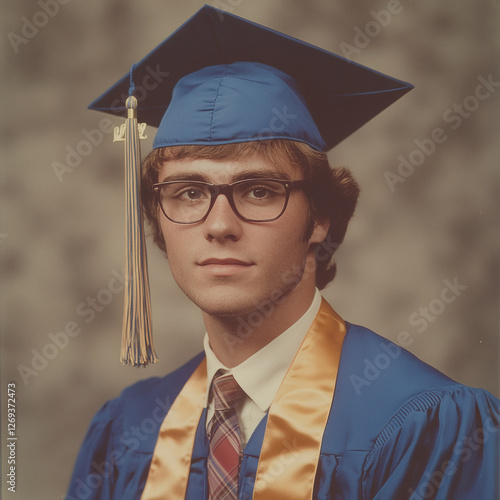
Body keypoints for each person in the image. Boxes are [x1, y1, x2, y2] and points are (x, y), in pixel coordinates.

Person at [66, 6, 499, 500]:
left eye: (259, 191)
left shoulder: (423, 426)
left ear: (320, 218)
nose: (219, 225)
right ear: (158, 219)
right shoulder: (129, 429)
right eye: (188, 193)